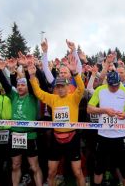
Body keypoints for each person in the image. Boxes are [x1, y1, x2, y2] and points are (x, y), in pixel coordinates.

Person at [29, 53, 86, 186]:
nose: (60, 89)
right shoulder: (53, 98)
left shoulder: (74, 98)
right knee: (51, 172)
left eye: (63, 86)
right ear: (55, 88)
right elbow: (38, 93)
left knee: (77, 172)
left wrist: (74, 72)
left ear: (68, 87)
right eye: (58, 87)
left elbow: (81, 88)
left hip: (72, 138)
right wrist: (32, 76)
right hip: (56, 138)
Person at [87, 70, 125, 186]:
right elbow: (89, 108)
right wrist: (104, 110)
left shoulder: (124, 91)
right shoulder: (100, 90)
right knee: (98, 168)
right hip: (103, 136)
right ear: (107, 82)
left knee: (124, 169)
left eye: (117, 85)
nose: (115, 88)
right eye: (112, 86)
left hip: (120, 136)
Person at [0, 52, 43, 186]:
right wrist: (0, 69)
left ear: (28, 86)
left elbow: (33, 84)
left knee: (34, 166)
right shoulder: (14, 96)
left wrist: (27, 67)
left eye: (23, 85)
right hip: (15, 134)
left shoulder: (32, 97)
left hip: (29, 136)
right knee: (15, 165)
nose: (20, 87)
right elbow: (6, 85)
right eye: (19, 85)